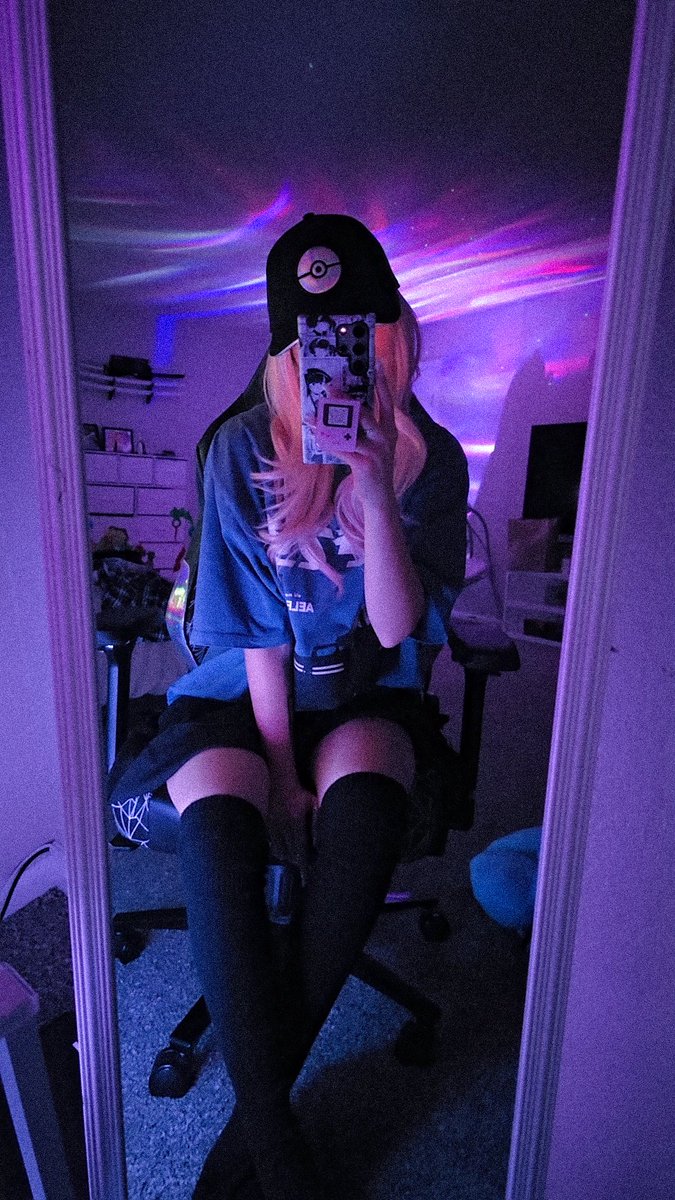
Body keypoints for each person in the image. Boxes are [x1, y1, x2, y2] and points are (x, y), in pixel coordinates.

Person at [109, 212, 469, 1200]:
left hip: (366, 687)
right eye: (315, 340)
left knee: (366, 809)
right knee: (224, 818)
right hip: (248, 688)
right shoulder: (237, 449)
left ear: (390, 334)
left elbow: (395, 627)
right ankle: (275, 1141)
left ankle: (250, 1143)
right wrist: (278, 771)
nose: (338, 359)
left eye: (360, 332)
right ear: (283, 349)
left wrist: (374, 485)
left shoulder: (432, 458)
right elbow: (255, 635)